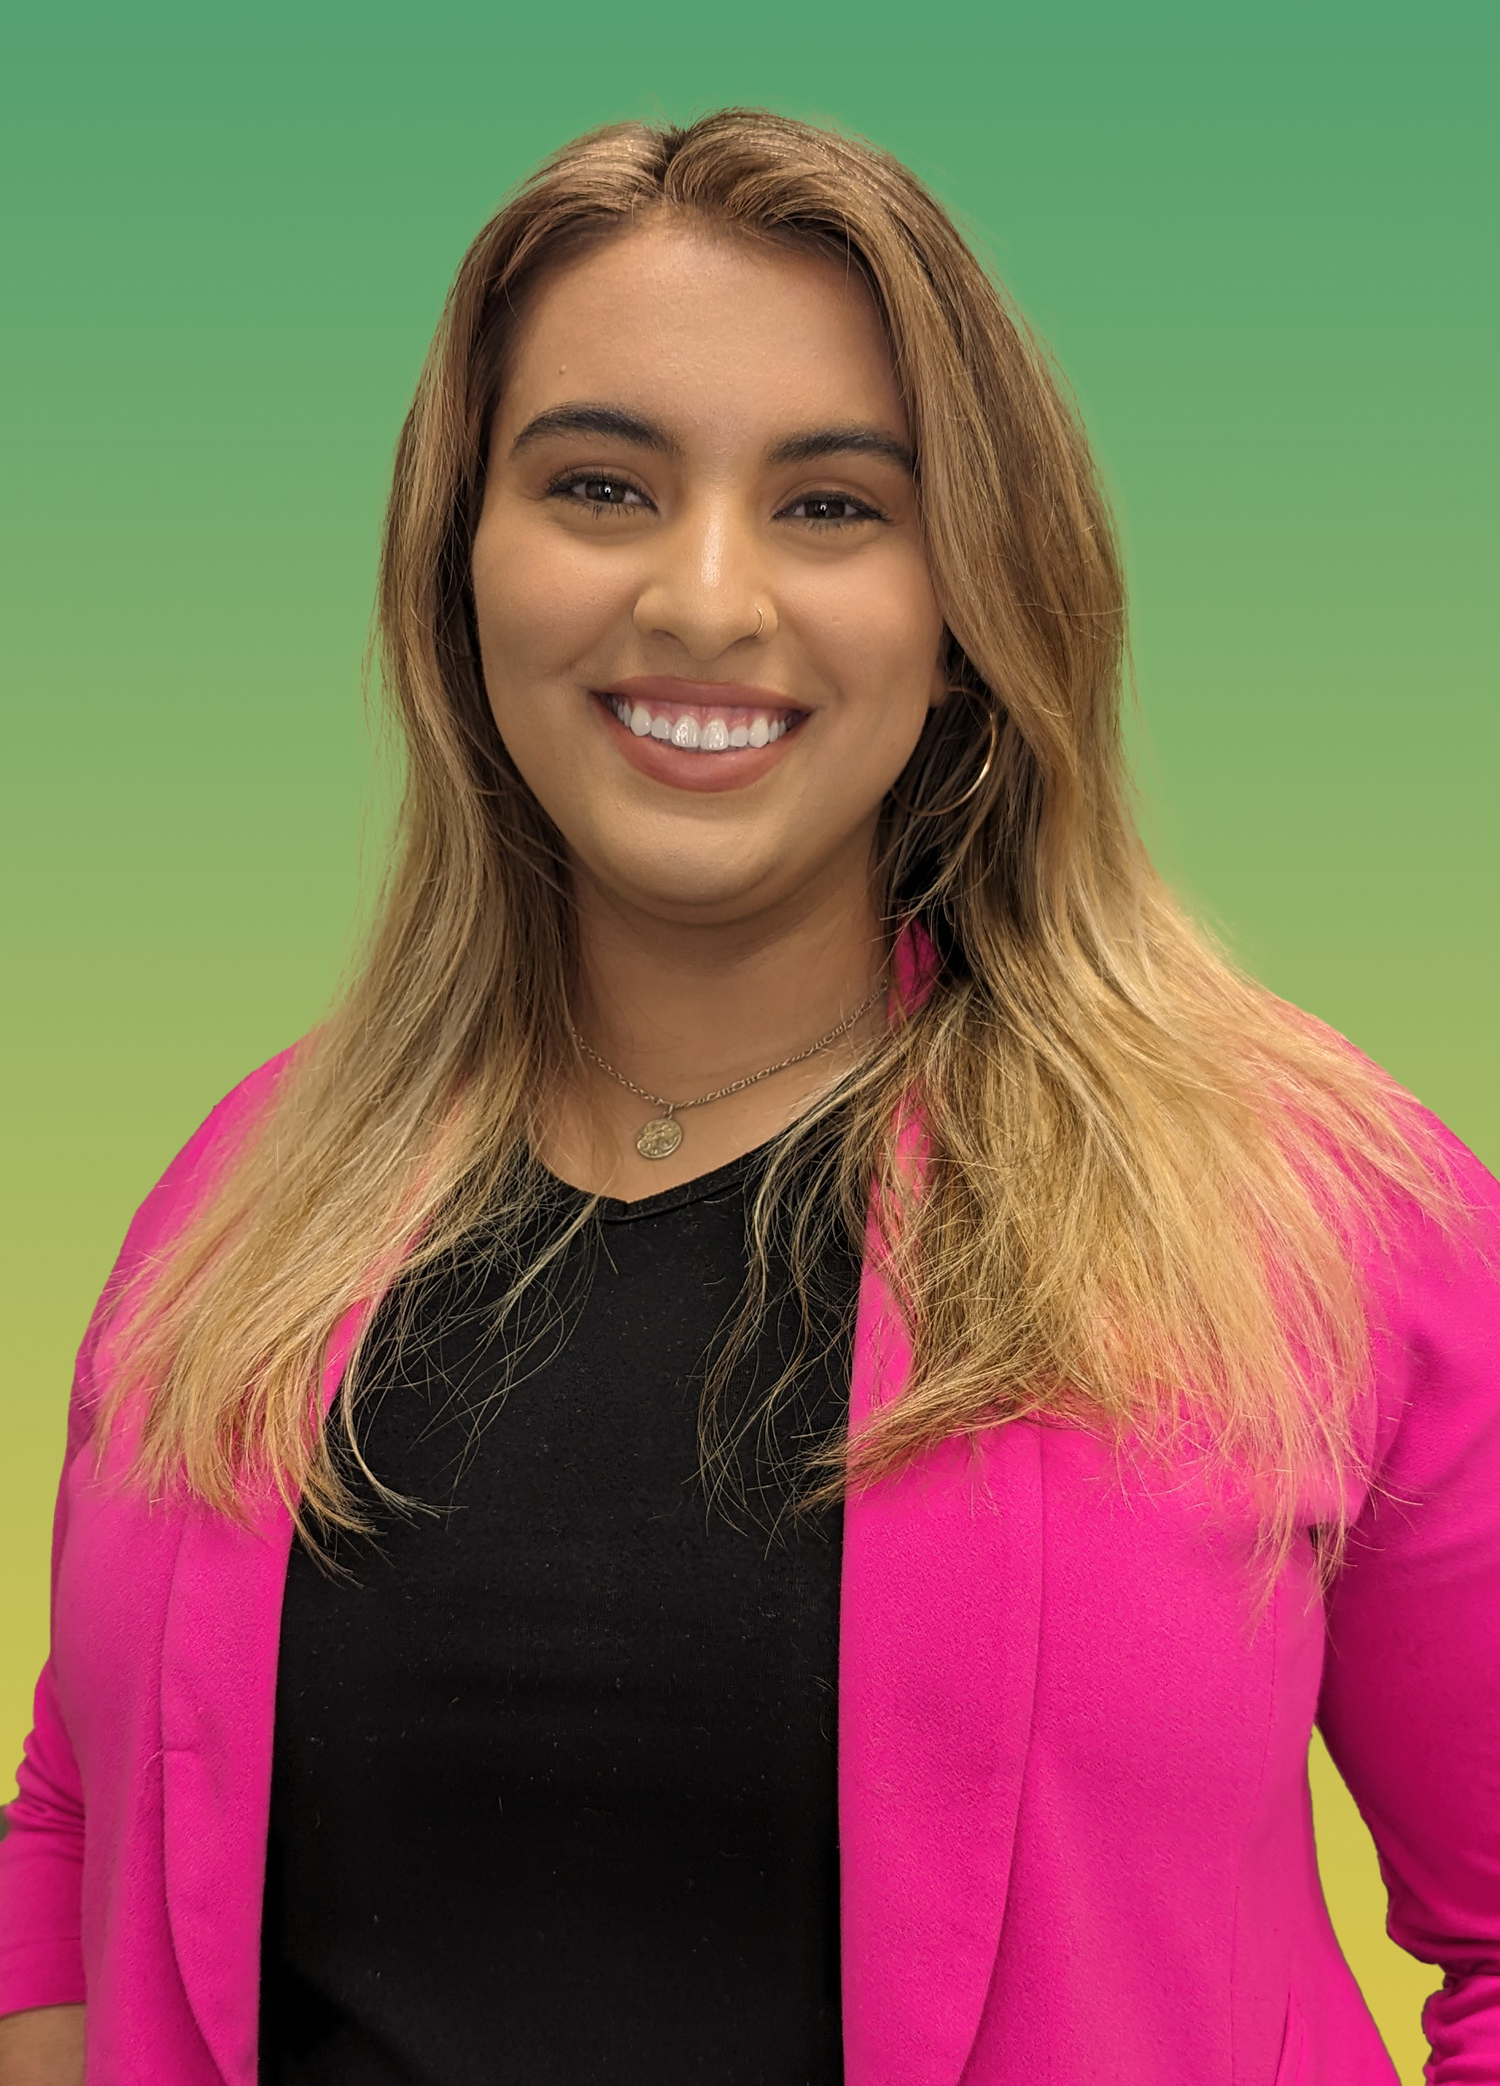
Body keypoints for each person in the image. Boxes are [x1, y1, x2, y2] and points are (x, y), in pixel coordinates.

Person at [0, 107, 1496, 2086]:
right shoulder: (242, 1192)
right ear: (463, 567)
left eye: (832, 507)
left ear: (971, 612)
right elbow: (76, 1831)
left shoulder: (1318, 1207)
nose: (705, 601)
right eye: (602, 484)